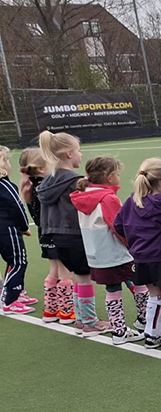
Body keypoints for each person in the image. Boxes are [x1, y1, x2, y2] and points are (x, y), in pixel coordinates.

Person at [113, 158, 161, 349]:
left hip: (140, 257)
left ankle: (152, 334)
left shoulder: (132, 201)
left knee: (154, 296)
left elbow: (118, 225)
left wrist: (135, 238)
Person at [69, 156, 147, 343]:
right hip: (116, 252)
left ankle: (119, 329)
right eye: (118, 174)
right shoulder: (107, 198)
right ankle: (146, 320)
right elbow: (119, 227)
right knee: (141, 282)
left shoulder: (83, 195)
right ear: (110, 177)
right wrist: (134, 244)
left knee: (113, 289)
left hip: (96, 254)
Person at [34, 130, 104, 333]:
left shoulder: (47, 181)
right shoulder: (75, 181)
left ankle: (81, 318)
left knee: (76, 276)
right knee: (84, 277)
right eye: (78, 151)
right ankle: (89, 321)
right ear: (68, 154)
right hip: (74, 235)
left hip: (55, 237)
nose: (81, 155)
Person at [18, 147, 69, 322]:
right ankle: (67, 310)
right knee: (65, 272)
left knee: (53, 270)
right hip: (57, 231)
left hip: (44, 233)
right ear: (40, 169)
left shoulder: (30, 187)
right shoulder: (47, 187)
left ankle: (51, 309)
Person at [0, 147, 32, 315]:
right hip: (8, 229)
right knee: (19, 261)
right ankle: (10, 300)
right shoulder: (5, 184)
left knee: (11, 261)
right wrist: (24, 226)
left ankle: (14, 292)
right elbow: (17, 206)